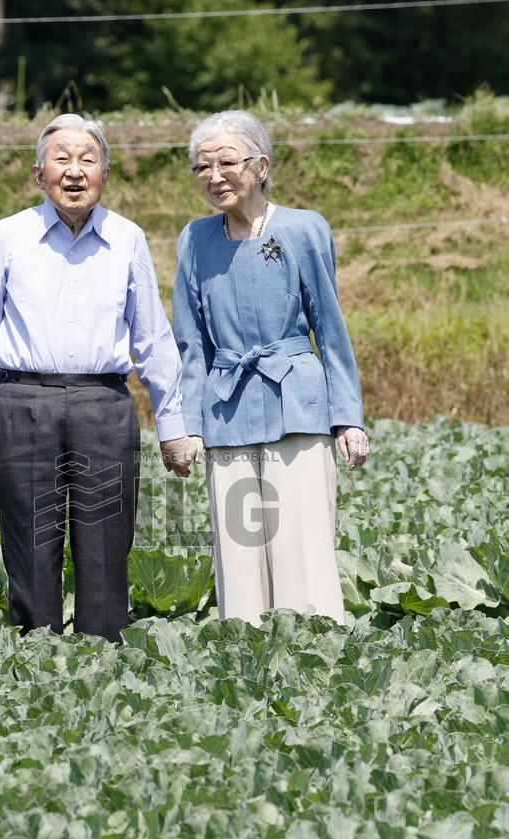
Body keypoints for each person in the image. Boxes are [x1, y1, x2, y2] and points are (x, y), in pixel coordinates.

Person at [0, 113, 200, 643]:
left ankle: (103, 660)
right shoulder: (8, 236)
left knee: (107, 545)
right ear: (37, 174)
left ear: (104, 174)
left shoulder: (127, 238)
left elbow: (153, 338)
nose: (74, 171)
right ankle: (35, 658)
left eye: (88, 160)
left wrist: (173, 427)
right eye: (61, 159)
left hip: (103, 403)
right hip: (22, 401)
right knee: (29, 545)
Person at [172, 110, 369, 627]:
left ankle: (314, 651)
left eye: (227, 162)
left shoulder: (304, 229)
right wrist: (188, 425)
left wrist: (348, 418)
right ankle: (246, 654)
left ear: (260, 166)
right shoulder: (194, 239)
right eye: (203, 166)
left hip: (298, 404)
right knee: (239, 553)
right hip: (226, 408)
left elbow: (330, 329)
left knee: (301, 548)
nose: (215, 176)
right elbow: (190, 345)